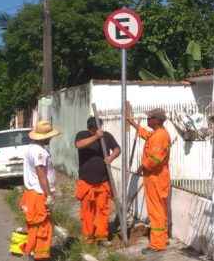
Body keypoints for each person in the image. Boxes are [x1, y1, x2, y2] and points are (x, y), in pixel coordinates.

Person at [125, 108, 171, 255]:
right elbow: (147, 135)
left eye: (149, 118)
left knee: (156, 212)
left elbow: (155, 160)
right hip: (155, 178)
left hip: (156, 178)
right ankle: (161, 239)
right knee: (159, 211)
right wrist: (134, 124)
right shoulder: (157, 134)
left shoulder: (160, 136)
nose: (147, 120)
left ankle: (157, 245)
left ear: (156, 120)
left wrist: (142, 166)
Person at [73, 117, 121, 245]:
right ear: (90, 128)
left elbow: (117, 149)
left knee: (103, 209)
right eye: (94, 128)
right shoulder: (82, 135)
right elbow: (79, 144)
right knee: (87, 210)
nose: (97, 130)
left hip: (102, 180)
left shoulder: (106, 136)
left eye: (99, 128)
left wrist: (111, 157)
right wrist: (96, 137)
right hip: (86, 181)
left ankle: (102, 236)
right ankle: (88, 236)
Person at [20, 120, 60, 260]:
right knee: (44, 227)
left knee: (35, 227)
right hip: (39, 194)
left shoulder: (31, 148)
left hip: (32, 193)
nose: (50, 138)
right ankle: (40, 256)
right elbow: (41, 175)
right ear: (45, 137)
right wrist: (48, 195)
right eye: (49, 136)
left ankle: (32, 251)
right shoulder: (40, 152)